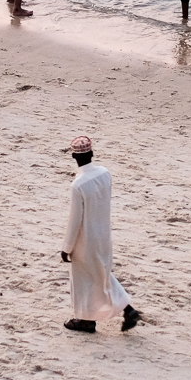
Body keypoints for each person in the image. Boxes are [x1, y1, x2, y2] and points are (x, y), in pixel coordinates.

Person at [60, 136, 141, 333]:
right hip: (103, 234)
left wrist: (67, 247)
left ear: (73, 156)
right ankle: (127, 310)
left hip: (85, 239)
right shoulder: (105, 174)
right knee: (101, 274)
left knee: (85, 279)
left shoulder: (78, 185)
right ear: (92, 153)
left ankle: (86, 320)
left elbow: (75, 220)